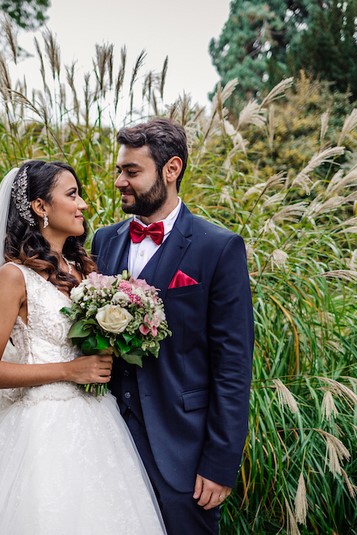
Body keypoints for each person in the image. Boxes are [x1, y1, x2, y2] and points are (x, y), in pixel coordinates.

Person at [0, 160, 166, 534]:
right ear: (41, 207)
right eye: (72, 194)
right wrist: (69, 371)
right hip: (39, 434)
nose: (83, 205)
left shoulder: (85, 271)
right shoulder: (12, 278)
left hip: (98, 426)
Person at [91, 119, 254, 534]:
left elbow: (233, 365)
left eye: (131, 172)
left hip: (183, 452)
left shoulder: (219, 247)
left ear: (172, 169)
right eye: (118, 170)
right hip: (106, 439)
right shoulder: (103, 240)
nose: (119, 182)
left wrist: (220, 463)